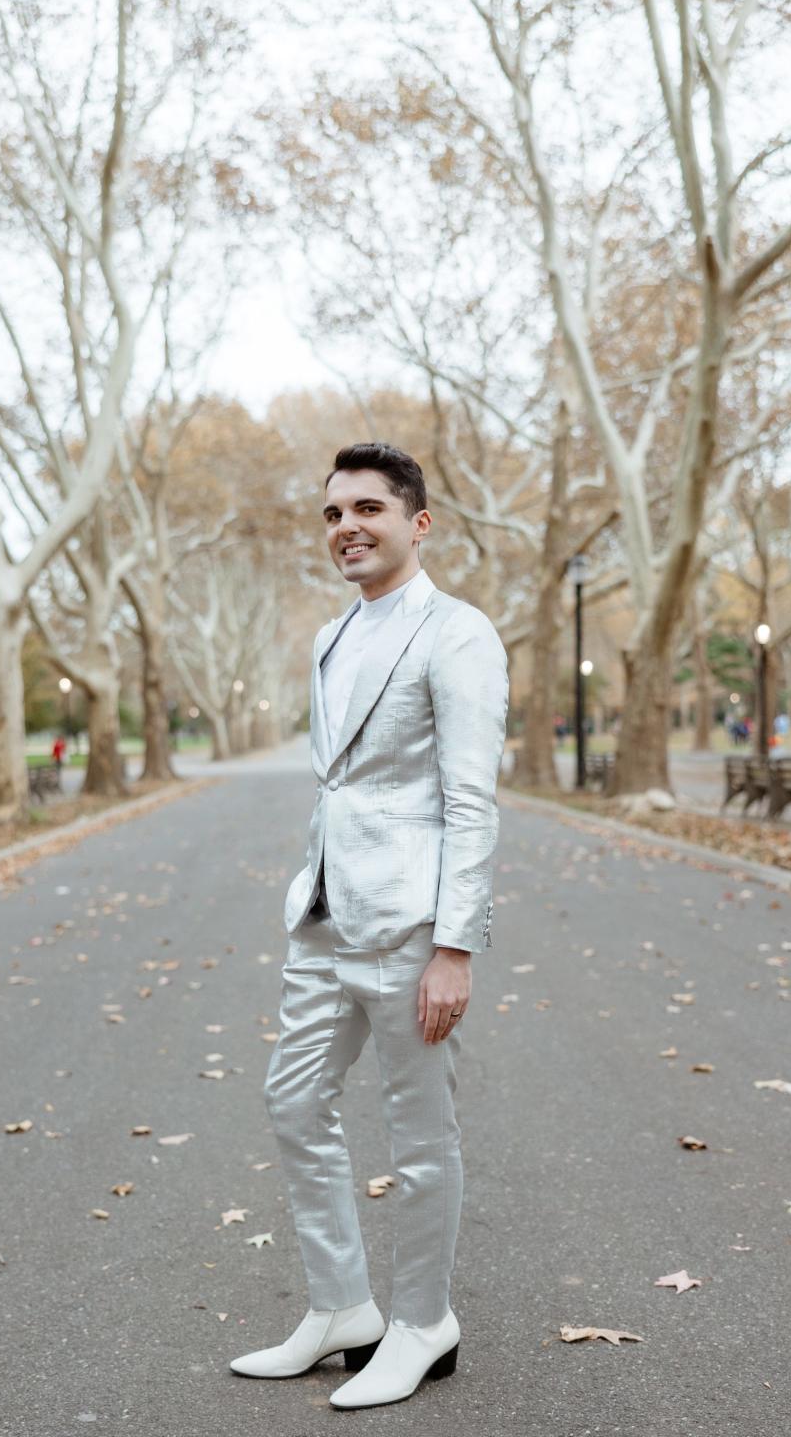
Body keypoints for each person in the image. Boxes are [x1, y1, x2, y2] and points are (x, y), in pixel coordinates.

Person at [229, 443, 509, 1408]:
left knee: (420, 1138)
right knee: (295, 1102)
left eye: (368, 509)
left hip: (408, 928)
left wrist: (455, 947)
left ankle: (424, 1321)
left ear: (417, 523)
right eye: (333, 512)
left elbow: (471, 803)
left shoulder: (458, 635)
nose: (347, 526)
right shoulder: (328, 637)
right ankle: (343, 1307)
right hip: (322, 918)